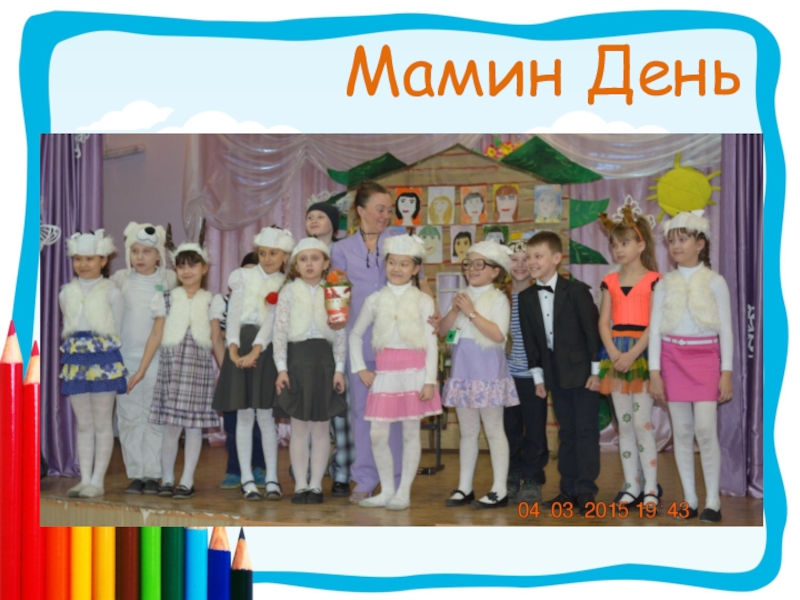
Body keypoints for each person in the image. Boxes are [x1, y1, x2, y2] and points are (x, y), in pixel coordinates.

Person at [331, 179, 438, 504]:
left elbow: (421, 281)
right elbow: (336, 296)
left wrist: (432, 314)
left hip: (401, 345)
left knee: (399, 417)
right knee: (364, 416)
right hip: (361, 344)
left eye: (388, 210)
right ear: (360, 210)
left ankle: (397, 483)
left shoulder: (400, 240)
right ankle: (365, 478)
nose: (385, 215)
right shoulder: (341, 249)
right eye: (379, 209)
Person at [649, 211, 733, 523]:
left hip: (705, 359)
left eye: (682, 239)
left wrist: (726, 372)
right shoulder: (663, 284)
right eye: (671, 240)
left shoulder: (715, 282)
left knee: (705, 430)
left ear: (700, 244)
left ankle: (713, 500)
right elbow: (655, 330)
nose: (675, 246)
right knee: (682, 431)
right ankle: (690, 499)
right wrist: (654, 372)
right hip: (672, 359)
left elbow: (726, 330)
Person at [350, 234, 442, 510]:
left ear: (415, 269)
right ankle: (387, 490)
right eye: (392, 262)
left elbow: (431, 343)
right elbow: (355, 335)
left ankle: (404, 492)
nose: (397, 269)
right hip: (386, 373)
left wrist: (429, 380)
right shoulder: (375, 300)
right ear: (385, 264)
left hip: (414, 372)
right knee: (378, 434)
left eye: (404, 264)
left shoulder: (423, 301)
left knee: (411, 433)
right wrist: (361, 368)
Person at [128, 234, 220, 500]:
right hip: (172, 372)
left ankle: (187, 480)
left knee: (193, 428)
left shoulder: (212, 300)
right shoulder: (166, 298)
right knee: (170, 428)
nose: (187, 271)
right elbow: (156, 335)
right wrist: (141, 370)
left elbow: (216, 339)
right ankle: (167, 478)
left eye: (193, 265)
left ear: (204, 268)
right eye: (181, 266)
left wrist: (227, 373)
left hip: (199, 373)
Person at [518, 231, 601, 515]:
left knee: (585, 430)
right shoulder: (526, 297)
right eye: (528, 257)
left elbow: (592, 334)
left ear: (556, 258)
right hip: (554, 375)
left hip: (584, 373)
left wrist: (596, 372)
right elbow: (531, 342)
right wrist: (538, 378)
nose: (531, 262)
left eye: (538, 256)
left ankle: (586, 490)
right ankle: (568, 489)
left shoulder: (576, 291)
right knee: (566, 432)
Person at [213, 227, 295, 501]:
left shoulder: (286, 284)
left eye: (274, 253)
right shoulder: (243, 277)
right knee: (244, 415)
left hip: (266, 350)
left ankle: (272, 478)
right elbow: (233, 314)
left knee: (266, 417)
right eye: (263, 253)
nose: (267, 258)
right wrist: (233, 350)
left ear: (285, 256)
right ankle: (247, 478)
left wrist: (257, 350)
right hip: (240, 347)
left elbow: (273, 321)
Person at [439, 240, 519, 509]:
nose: (472, 269)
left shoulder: (498, 299)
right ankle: (465, 487)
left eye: (479, 264)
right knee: (468, 433)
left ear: (495, 271)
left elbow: (497, 334)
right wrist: (455, 310)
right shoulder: (462, 297)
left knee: (494, 431)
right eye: (468, 264)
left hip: (488, 373)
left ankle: (499, 489)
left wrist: (471, 312)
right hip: (463, 371)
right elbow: (445, 333)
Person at [273, 238, 348, 504]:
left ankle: (316, 485)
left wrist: (339, 369)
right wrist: (281, 369)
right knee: (299, 428)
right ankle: (300, 485)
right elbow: (279, 333)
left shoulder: (334, 292)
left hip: (324, 363)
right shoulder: (288, 292)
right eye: (303, 259)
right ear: (296, 265)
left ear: (326, 263)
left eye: (315, 259)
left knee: (320, 428)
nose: (309, 264)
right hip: (297, 362)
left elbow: (339, 334)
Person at [597, 207, 662, 509]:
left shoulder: (654, 280)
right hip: (616, 356)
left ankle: (650, 488)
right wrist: (614, 354)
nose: (618, 250)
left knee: (641, 423)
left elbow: (655, 323)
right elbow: (603, 322)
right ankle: (631, 486)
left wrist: (633, 354)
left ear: (641, 245)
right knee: (623, 425)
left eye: (624, 243)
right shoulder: (609, 280)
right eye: (614, 245)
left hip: (642, 354)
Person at [59, 230, 126, 498]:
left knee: (102, 422)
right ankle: (84, 479)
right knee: (84, 423)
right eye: (78, 259)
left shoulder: (112, 292)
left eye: (89, 259)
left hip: (104, 359)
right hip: (76, 358)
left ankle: (98, 481)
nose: (83, 264)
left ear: (103, 259)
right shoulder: (66, 293)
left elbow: (118, 327)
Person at [111, 222, 177, 495]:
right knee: (128, 417)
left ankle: (153, 473)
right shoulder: (120, 279)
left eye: (146, 251)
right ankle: (136, 473)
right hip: (124, 358)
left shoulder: (170, 279)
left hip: (158, 358)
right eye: (135, 251)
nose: (140, 257)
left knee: (154, 416)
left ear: (159, 254)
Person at [305, 201, 352, 496]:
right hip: (308, 345)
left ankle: (342, 472)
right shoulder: (300, 253)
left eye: (320, 216)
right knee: (310, 411)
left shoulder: (343, 252)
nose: (313, 220)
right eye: (309, 216)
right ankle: (310, 471)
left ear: (334, 224)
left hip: (337, 336)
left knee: (340, 411)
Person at [211, 252, 267, 491]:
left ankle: (260, 468)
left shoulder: (268, 301)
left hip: (260, 368)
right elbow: (217, 339)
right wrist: (229, 367)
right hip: (233, 368)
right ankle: (234, 470)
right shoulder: (224, 301)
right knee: (234, 424)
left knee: (260, 423)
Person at [503, 240, 547, 504]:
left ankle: (532, 477)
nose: (520, 265)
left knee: (535, 429)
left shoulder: (540, 294)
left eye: (525, 259)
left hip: (533, 376)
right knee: (509, 429)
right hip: (505, 377)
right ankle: (511, 474)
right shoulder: (499, 296)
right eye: (514, 259)